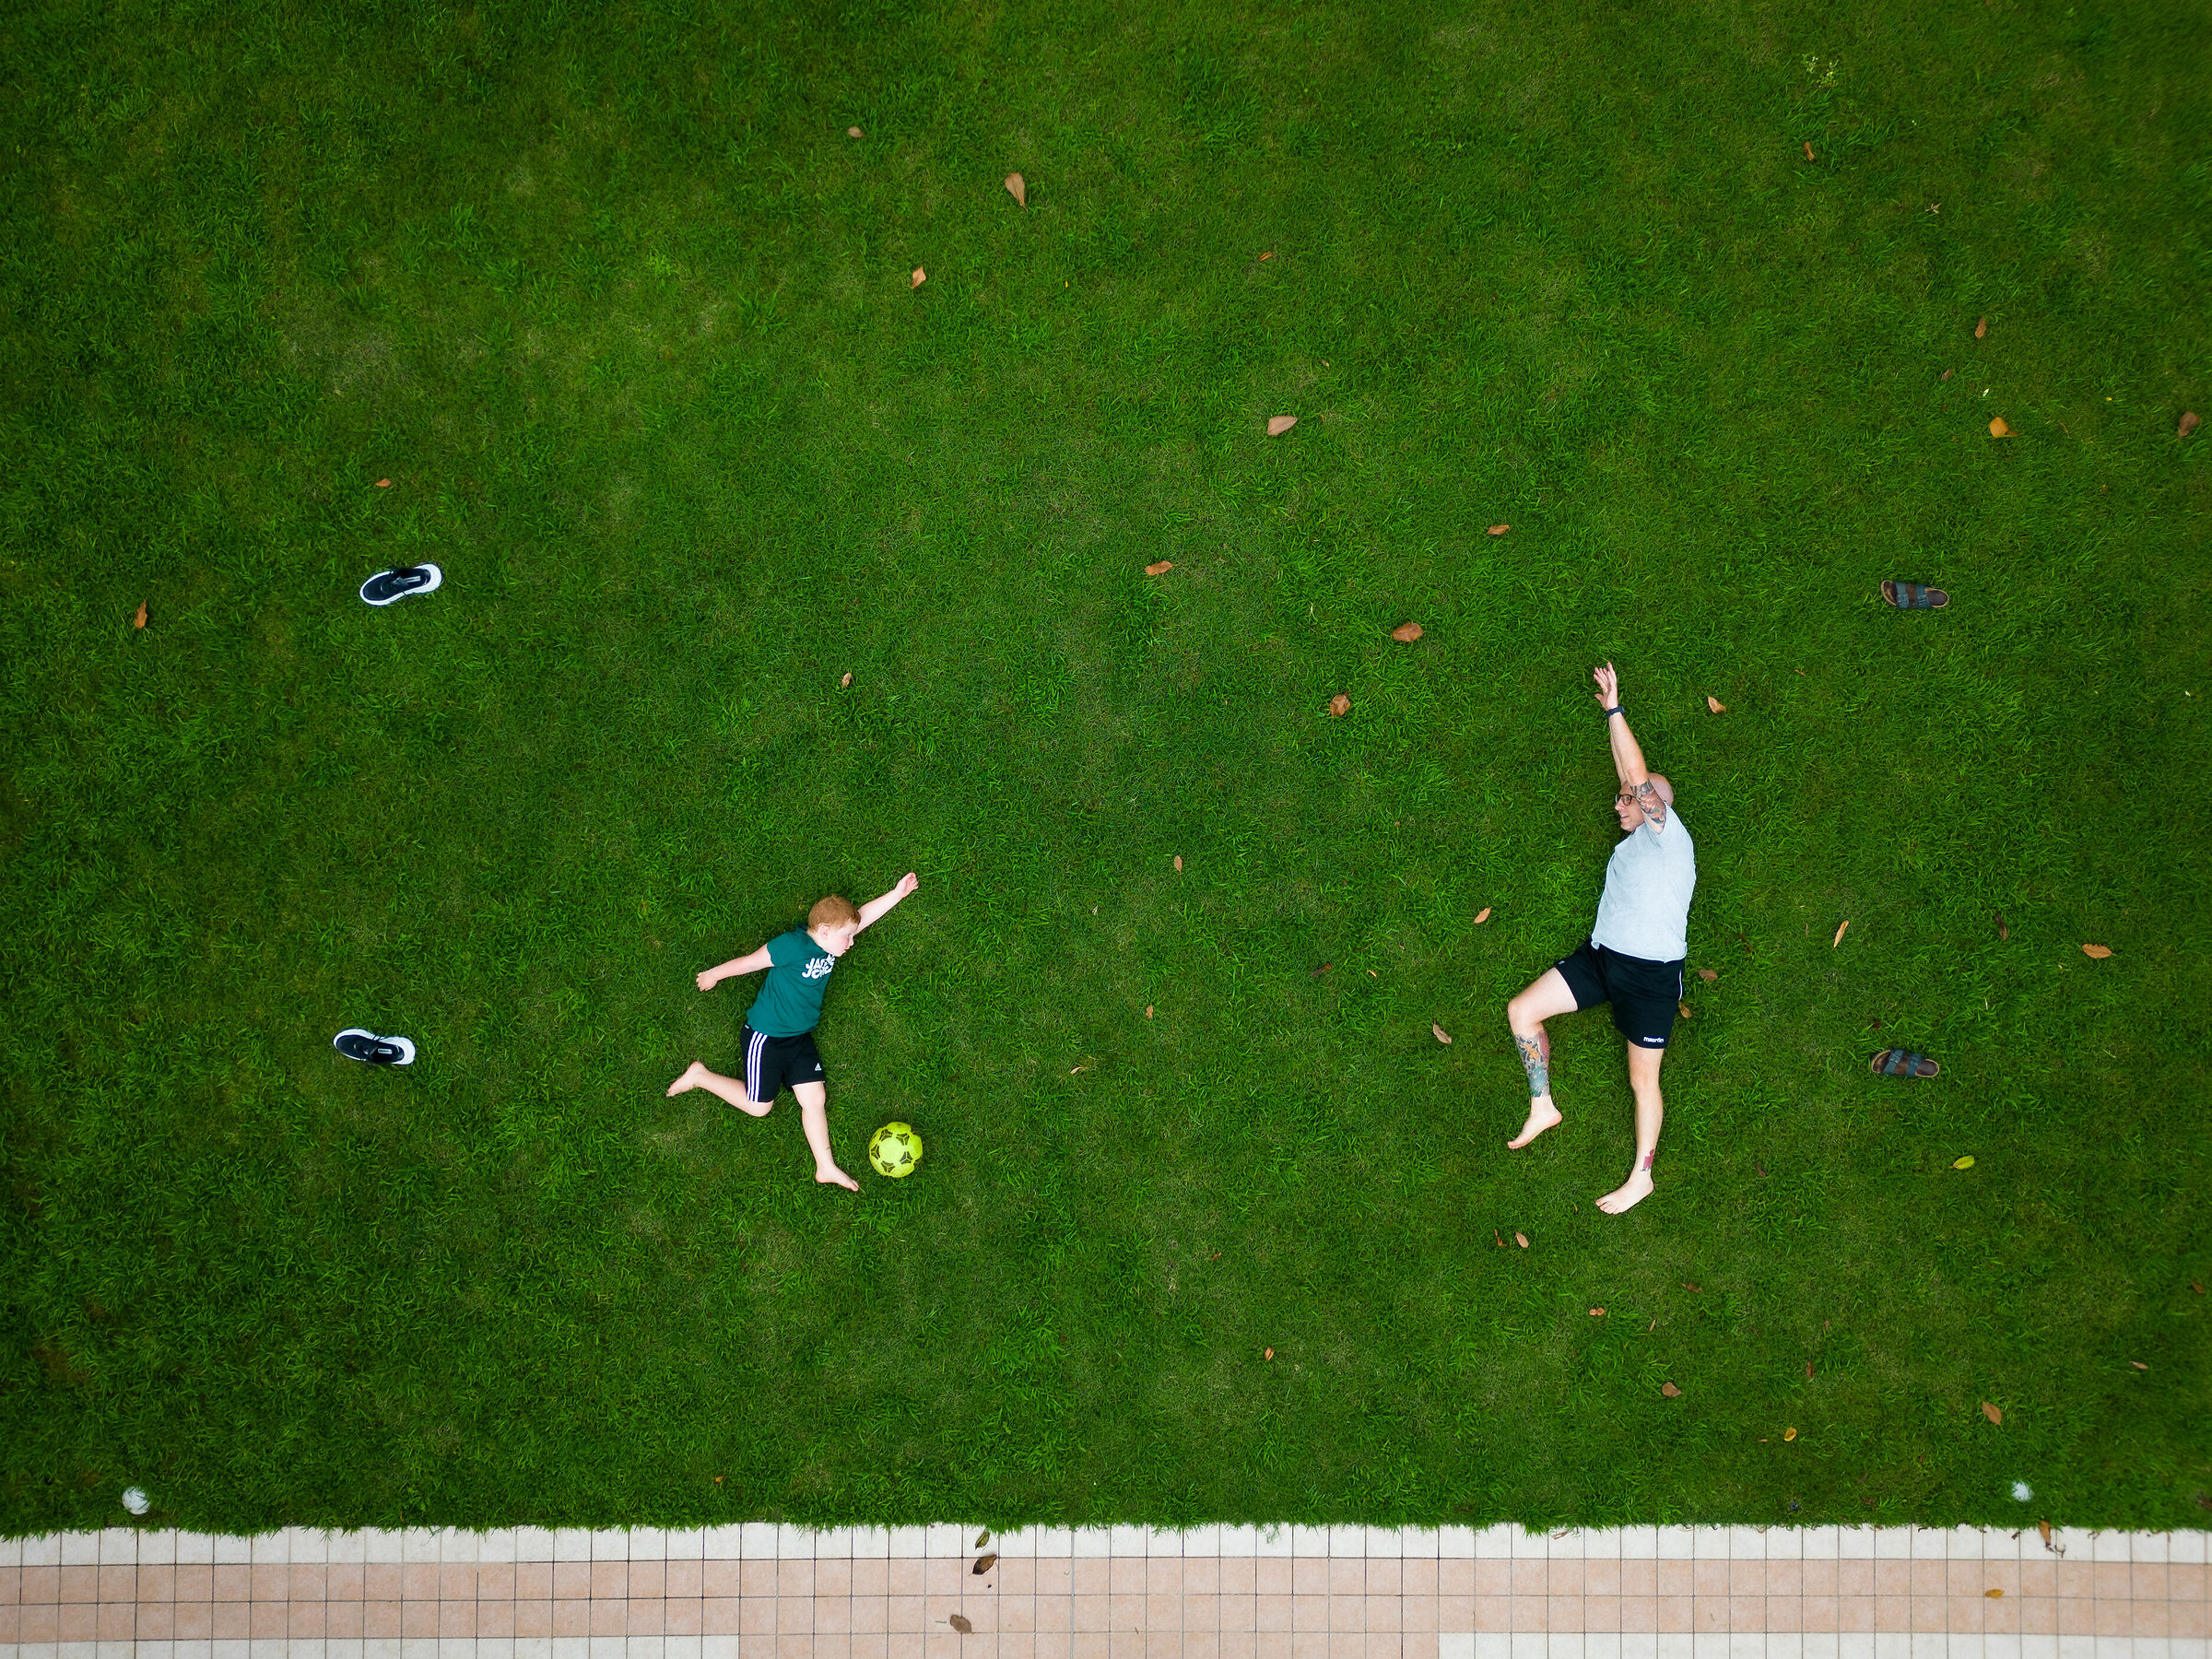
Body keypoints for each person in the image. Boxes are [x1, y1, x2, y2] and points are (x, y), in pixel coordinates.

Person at [1502, 664, 1695, 1214]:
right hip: (1602, 959)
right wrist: (1606, 721)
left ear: (1656, 805)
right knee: (1522, 1011)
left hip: (1651, 978)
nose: (1619, 803)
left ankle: (1642, 1176)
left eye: (1629, 800)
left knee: (1643, 1081)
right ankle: (1543, 1105)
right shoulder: (1636, 841)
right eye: (1620, 798)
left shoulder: (1669, 840)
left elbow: (1636, 775)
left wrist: (1615, 710)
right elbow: (1626, 774)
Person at [666, 874, 920, 1190]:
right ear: (825, 931)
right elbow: (751, 963)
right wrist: (714, 975)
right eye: (848, 937)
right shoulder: (791, 945)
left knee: (815, 1098)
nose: (852, 942)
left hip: (799, 1038)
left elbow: (864, 916)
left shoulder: (831, 944)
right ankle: (700, 1076)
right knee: (759, 1107)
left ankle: (825, 1166)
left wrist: (897, 894)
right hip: (767, 1037)